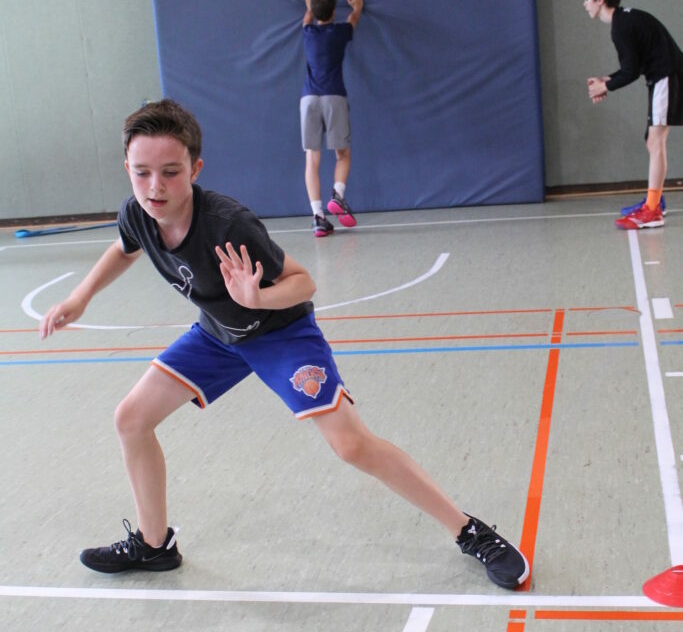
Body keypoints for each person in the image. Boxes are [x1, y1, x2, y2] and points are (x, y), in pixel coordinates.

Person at [39, 99, 529, 591]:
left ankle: (469, 531)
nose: (154, 187)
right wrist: (80, 298)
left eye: (170, 172)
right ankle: (154, 545)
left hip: (281, 334)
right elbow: (124, 247)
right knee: (131, 418)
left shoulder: (228, 225)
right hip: (218, 334)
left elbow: (303, 282)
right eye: (141, 172)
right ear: (127, 167)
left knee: (351, 445)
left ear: (195, 169)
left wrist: (258, 297)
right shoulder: (138, 212)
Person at [584, 0, 683, 230]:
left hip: (667, 76)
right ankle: (655, 200)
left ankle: (652, 210)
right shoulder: (624, 21)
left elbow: (629, 72)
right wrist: (606, 81)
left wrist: (605, 86)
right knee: (652, 141)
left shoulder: (621, 26)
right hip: (662, 76)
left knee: (656, 141)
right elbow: (634, 66)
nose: (584, 4)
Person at [301, 0, 363, 237]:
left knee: (311, 160)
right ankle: (337, 194)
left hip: (308, 99)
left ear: (314, 12)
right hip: (334, 97)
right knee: (342, 153)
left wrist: (309, 6)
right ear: (334, 12)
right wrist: (357, 6)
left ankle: (318, 217)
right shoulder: (340, 32)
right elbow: (354, 19)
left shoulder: (307, 33)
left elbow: (307, 19)